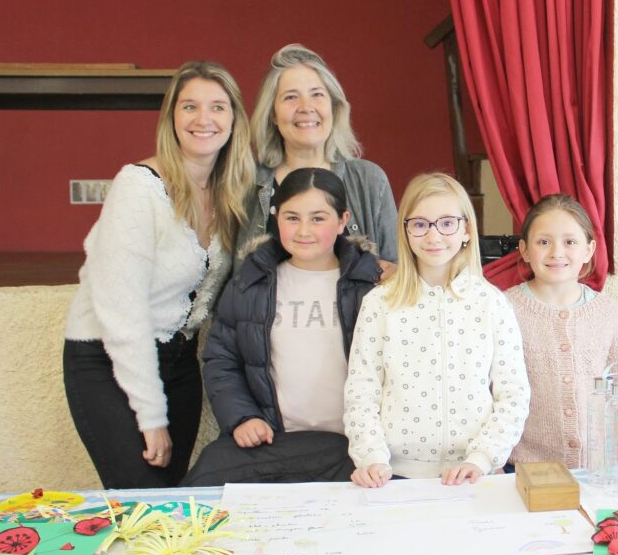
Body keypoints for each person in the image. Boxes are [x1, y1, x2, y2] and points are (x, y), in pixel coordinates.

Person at [64, 61, 254, 488]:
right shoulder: (138, 188)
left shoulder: (229, 193)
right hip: (109, 360)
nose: (203, 119)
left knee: (171, 502)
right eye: (189, 106)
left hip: (179, 362)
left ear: (234, 120)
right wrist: (150, 416)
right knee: (142, 500)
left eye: (217, 107)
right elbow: (123, 313)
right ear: (171, 118)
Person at [182, 168, 382, 485]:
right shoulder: (251, 282)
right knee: (209, 473)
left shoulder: (372, 285)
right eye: (292, 218)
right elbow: (222, 359)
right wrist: (242, 417)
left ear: (342, 220)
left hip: (356, 445)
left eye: (318, 218)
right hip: (276, 441)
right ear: (275, 218)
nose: (304, 230)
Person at [344, 172, 529, 487]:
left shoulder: (491, 303)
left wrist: (483, 458)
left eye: (446, 223)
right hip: (394, 476)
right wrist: (371, 456)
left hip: (475, 475)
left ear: (467, 229)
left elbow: (513, 393)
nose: (433, 236)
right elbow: (362, 389)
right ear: (405, 231)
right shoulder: (379, 304)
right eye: (420, 224)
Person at [238, 43, 397, 267]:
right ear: (273, 114)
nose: (306, 107)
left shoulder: (370, 180)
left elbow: (397, 272)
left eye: (317, 95)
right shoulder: (245, 183)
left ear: (334, 107)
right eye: (291, 97)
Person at [505, 195, 618, 469]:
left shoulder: (608, 312)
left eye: (570, 242)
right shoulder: (503, 308)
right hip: (522, 465)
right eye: (543, 242)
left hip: (597, 467)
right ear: (524, 249)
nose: (556, 252)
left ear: (589, 249)